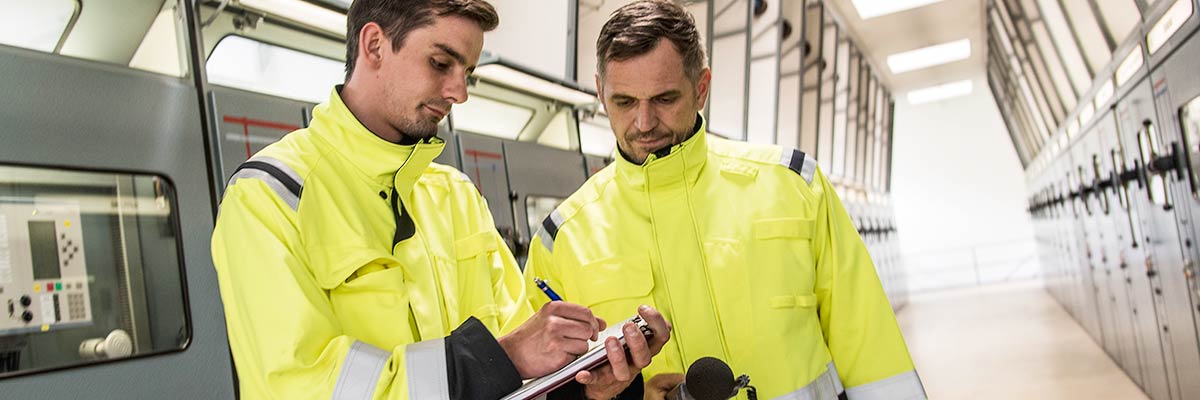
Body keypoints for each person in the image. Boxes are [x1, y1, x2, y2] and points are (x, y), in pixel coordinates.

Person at [210, 0, 669, 398]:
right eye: (440, 63)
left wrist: (590, 386)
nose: (460, 92)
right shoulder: (271, 197)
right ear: (374, 45)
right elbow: (300, 387)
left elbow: (525, 372)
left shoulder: (456, 197)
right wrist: (502, 357)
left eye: (467, 72)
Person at [522, 1, 925, 399]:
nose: (643, 123)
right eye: (624, 102)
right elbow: (546, 389)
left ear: (701, 88)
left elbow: (872, 351)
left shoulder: (794, 186)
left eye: (664, 99)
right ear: (600, 91)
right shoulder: (562, 238)